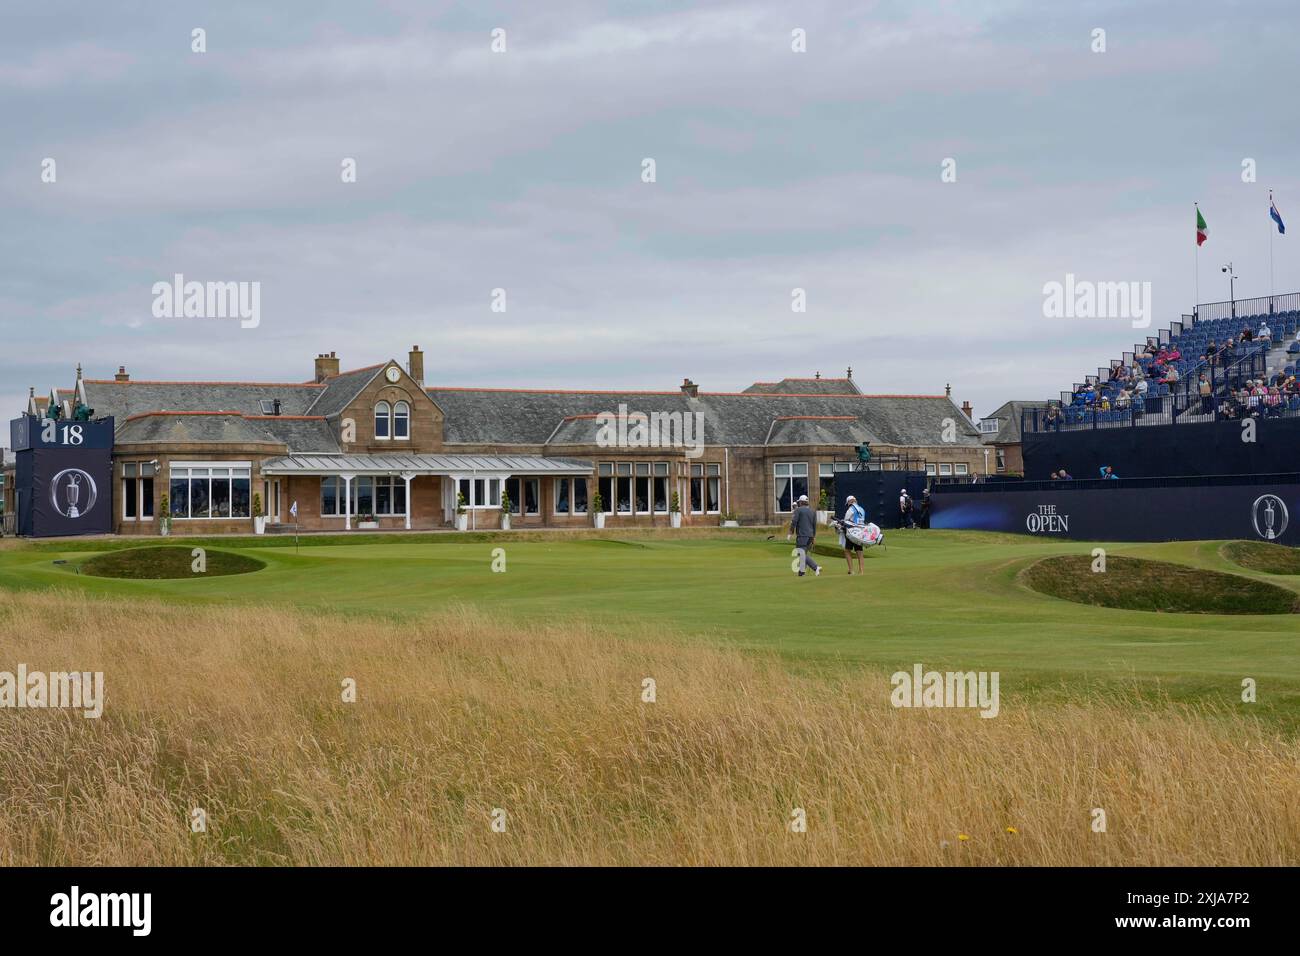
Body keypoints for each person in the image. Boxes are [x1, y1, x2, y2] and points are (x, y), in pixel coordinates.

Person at [786, 494, 821, 577]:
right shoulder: (812, 511)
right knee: (803, 553)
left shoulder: (798, 510)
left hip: (802, 535)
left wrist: (790, 533)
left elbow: (794, 522)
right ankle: (802, 573)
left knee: (801, 554)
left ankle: (815, 567)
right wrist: (814, 537)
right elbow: (814, 525)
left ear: (801, 502)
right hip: (810, 535)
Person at [841, 494, 867, 575]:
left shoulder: (851, 509)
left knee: (847, 550)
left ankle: (851, 570)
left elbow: (846, 520)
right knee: (859, 551)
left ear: (849, 502)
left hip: (851, 533)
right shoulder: (862, 509)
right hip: (860, 532)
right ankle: (861, 571)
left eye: (848, 503)